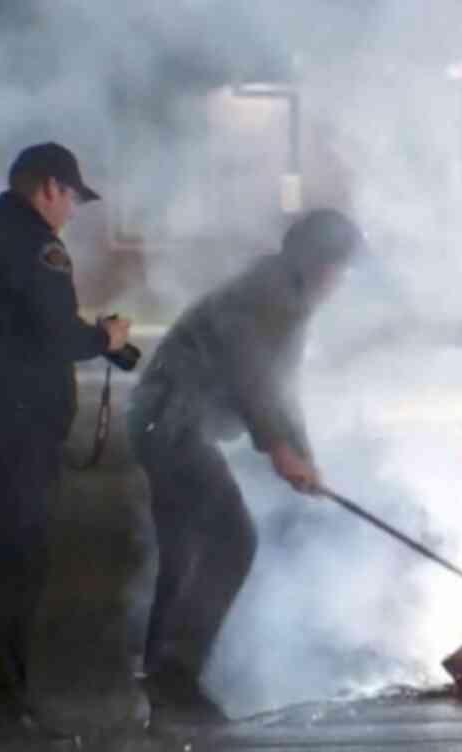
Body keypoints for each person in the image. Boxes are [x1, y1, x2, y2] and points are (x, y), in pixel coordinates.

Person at [127, 208, 368, 720]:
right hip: (174, 422)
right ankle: (175, 675)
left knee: (184, 549)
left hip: (164, 420)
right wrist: (278, 447)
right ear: (318, 262)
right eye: (341, 269)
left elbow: (283, 391)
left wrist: (303, 456)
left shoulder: (287, 297)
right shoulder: (271, 294)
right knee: (232, 539)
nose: (342, 282)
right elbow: (250, 373)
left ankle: (162, 677)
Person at [0, 142, 131, 741]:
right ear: (49, 187)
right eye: (71, 196)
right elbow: (55, 334)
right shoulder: (37, 246)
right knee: (16, 568)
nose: (72, 210)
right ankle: (8, 708)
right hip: (14, 434)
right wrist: (105, 336)